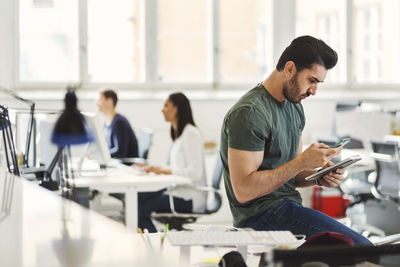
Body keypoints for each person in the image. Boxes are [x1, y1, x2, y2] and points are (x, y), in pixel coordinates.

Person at [220, 35, 372, 245]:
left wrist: (318, 176)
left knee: (352, 249)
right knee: (362, 248)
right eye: (312, 81)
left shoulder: (294, 107)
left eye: (318, 83)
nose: (314, 91)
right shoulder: (250, 113)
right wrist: (301, 162)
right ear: (290, 69)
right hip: (259, 217)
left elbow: (291, 174)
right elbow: (244, 191)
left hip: (287, 208)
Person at [137, 92, 207, 232]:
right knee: (137, 198)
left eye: (166, 106)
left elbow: (195, 172)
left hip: (190, 198)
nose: (163, 110)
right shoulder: (179, 134)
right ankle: (153, 244)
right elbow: (179, 167)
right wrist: (157, 168)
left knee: (140, 208)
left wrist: (166, 171)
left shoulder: (191, 133)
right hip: (178, 192)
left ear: (176, 109)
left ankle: (154, 245)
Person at [97, 89, 139, 159]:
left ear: (109, 101)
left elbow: (120, 153)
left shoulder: (119, 122)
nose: (97, 103)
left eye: (100, 100)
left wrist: (100, 155)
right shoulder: (107, 123)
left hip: (125, 165)